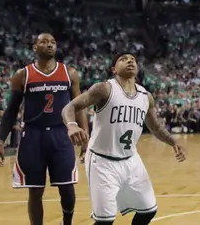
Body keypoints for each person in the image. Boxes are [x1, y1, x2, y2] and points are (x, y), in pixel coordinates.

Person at [61, 53, 187, 225]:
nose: (130, 61)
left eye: (133, 59)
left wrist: (173, 142)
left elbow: (155, 127)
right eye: (123, 59)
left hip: (131, 160)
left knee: (148, 211)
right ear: (114, 69)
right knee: (105, 221)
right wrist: (72, 125)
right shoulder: (104, 89)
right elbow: (70, 107)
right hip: (102, 161)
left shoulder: (146, 96)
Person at [0, 33, 89, 225]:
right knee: (35, 190)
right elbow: (11, 111)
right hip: (33, 135)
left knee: (67, 187)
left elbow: (79, 105)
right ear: (35, 47)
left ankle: (67, 222)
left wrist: (85, 133)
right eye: (44, 42)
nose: (50, 45)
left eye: (53, 42)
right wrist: (0, 141)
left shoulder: (69, 73)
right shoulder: (23, 75)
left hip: (61, 134)